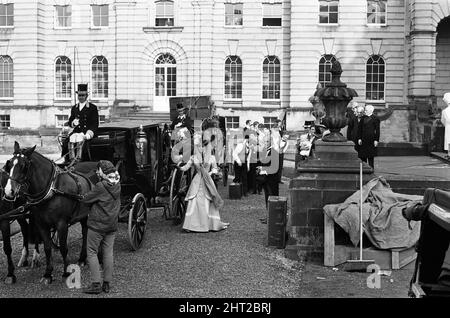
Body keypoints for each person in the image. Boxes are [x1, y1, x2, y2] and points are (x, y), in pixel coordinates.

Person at [81, 160, 121, 294]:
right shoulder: (117, 183)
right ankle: (107, 284)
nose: (97, 172)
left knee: (91, 253)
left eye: (99, 170)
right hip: (112, 226)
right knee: (108, 253)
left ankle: (96, 284)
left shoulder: (100, 186)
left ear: (103, 172)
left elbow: (86, 199)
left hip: (97, 226)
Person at [178, 134, 229, 232]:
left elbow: (215, 168)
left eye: (204, 146)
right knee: (194, 201)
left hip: (207, 181)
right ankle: (190, 226)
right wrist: (179, 168)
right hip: (197, 181)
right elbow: (186, 167)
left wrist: (210, 173)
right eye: (200, 147)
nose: (202, 148)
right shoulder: (194, 157)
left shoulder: (211, 158)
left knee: (207, 202)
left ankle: (208, 225)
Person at [62, 84, 99, 164]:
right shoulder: (74, 108)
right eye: (79, 95)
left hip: (87, 132)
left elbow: (95, 123)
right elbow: (70, 121)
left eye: (83, 95)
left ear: (86, 96)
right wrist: (73, 123)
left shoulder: (92, 108)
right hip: (77, 131)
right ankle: (71, 160)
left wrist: (89, 134)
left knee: (80, 138)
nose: (81, 97)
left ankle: (79, 159)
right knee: (69, 139)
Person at [357, 105, 380, 169]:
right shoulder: (363, 118)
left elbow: (377, 130)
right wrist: (359, 138)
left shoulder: (375, 119)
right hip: (363, 140)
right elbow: (359, 129)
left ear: (371, 111)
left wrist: (376, 140)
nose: (365, 111)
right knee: (363, 157)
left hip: (371, 140)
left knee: (370, 157)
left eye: (366, 110)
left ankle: (371, 170)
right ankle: (364, 170)